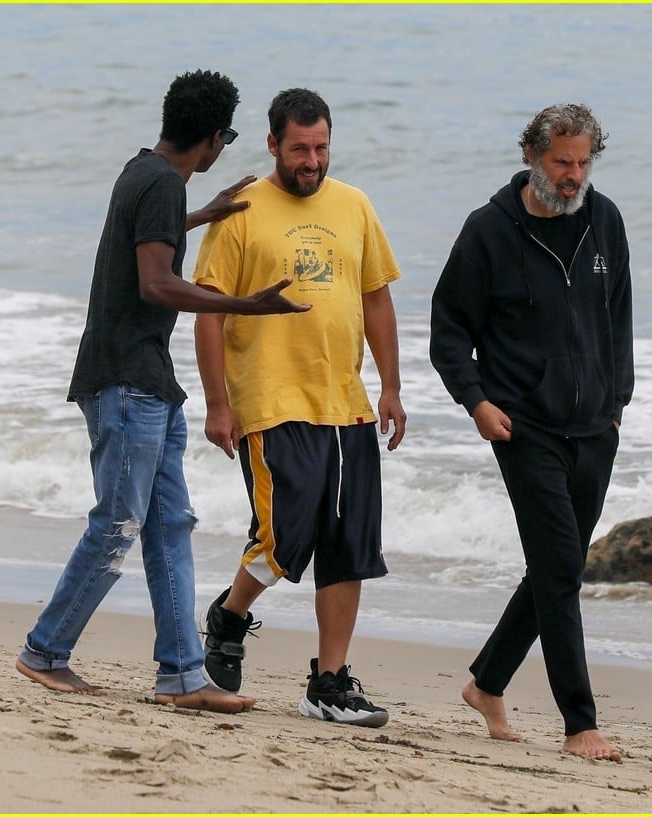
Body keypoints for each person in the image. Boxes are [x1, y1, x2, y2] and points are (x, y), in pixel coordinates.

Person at [15, 70, 309, 715]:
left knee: (170, 525)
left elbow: (147, 234)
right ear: (211, 137)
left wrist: (203, 215)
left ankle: (182, 675)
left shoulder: (145, 173)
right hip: (125, 383)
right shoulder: (157, 185)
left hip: (149, 383)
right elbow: (155, 283)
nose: (222, 149)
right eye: (226, 138)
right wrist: (244, 305)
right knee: (117, 526)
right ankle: (44, 651)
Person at [191, 88, 406, 728]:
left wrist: (390, 386)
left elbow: (376, 300)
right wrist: (216, 403)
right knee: (285, 535)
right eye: (299, 149)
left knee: (348, 543)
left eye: (321, 147)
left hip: (346, 402)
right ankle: (230, 615)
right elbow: (207, 310)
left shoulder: (355, 205)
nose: (312, 161)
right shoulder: (242, 209)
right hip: (269, 398)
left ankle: (330, 682)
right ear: (273, 145)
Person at [429, 103, 633, 761]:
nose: (574, 176)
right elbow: (448, 331)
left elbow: (620, 315)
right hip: (523, 426)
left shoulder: (605, 221)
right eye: (561, 163)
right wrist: (475, 402)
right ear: (531, 157)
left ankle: (487, 682)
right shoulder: (489, 232)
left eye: (582, 162)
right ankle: (580, 723)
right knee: (557, 571)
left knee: (559, 566)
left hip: (595, 428)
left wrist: (617, 400)